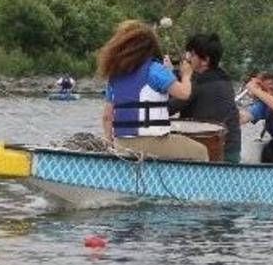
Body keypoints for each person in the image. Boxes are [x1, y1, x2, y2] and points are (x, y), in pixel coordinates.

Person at [96, 20, 209, 161]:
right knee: (200, 151)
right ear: (150, 46)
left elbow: (107, 117)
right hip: (151, 142)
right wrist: (186, 75)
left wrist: (111, 145)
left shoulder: (115, 75)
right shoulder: (155, 69)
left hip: (122, 144)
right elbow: (184, 93)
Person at [168, 32, 241, 164]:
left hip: (211, 151)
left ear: (205, 60)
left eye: (192, 55)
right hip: (231, 147)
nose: (188, 59)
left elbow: (168, 108)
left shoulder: (198, 83)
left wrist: (171, 78)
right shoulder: (224, 77)